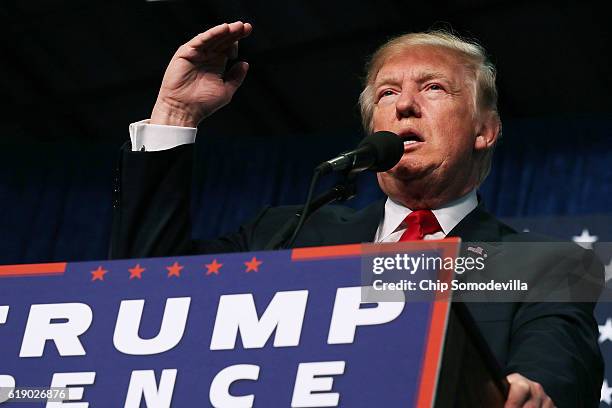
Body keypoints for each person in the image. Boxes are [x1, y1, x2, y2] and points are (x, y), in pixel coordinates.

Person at [110, 21, 603, 407]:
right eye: (387, 93)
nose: (405, 104)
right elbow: (145, 287)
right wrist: (175, 115)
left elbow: (559, 367)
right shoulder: (288, 233)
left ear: (485, 130)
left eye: (433, 88)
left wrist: (532, 390)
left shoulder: (542, 266)